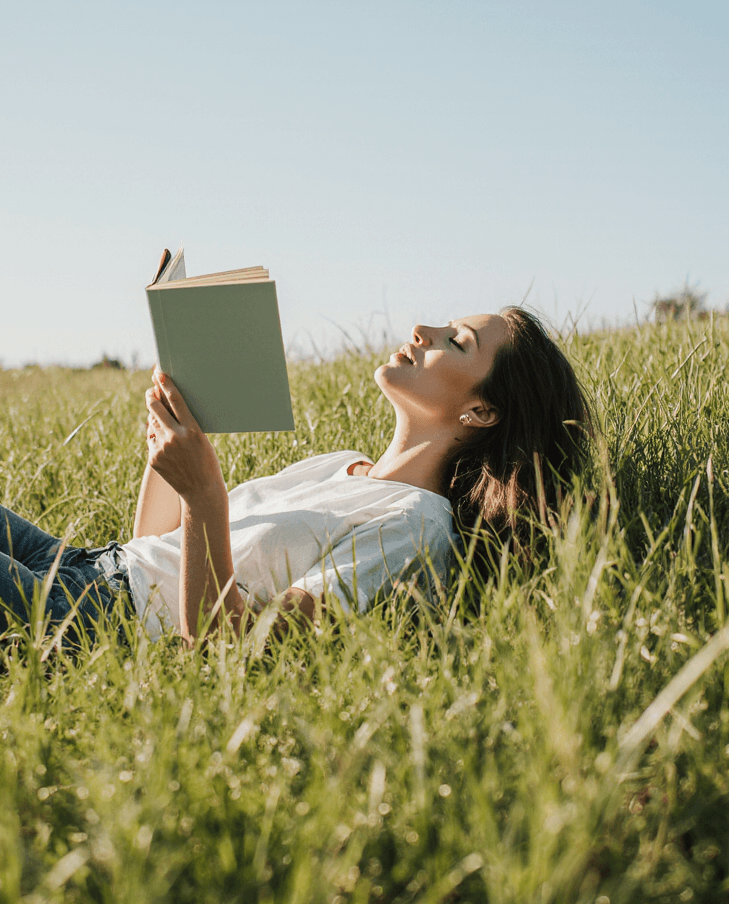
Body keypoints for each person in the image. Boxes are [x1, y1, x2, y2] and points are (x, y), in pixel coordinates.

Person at [0, 308, 591, 647]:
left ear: (482, 412)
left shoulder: (417, 526)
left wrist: (207, 495)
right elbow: (155, 545)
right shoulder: (341, 464)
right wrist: (176, 428)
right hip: (86, 565)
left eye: (456, 343)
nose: (422, 330)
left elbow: (238, 649)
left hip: (92, 623)